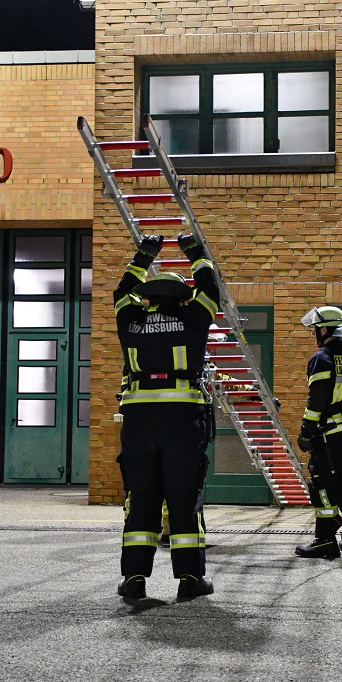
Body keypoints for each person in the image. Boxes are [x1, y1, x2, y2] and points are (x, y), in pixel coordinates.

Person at [114, 232, 219, 601]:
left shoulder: (130, 319)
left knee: (141, 497)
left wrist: (146, 252)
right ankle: (191, 579)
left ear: (148, 296)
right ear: (182, 297)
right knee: (183, 497)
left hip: (139, 422)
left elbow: (121, 290)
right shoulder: (193, 318)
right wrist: (194, 251)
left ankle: (134, 579)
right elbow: (210, 287)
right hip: (181, 421)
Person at [294, 306, 342, 559]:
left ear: (324, 329)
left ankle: (325, 540)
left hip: (329, 434)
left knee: (323, 485)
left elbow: (317, 401)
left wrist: (306, 433)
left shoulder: (321, 358)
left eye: (315, 328)